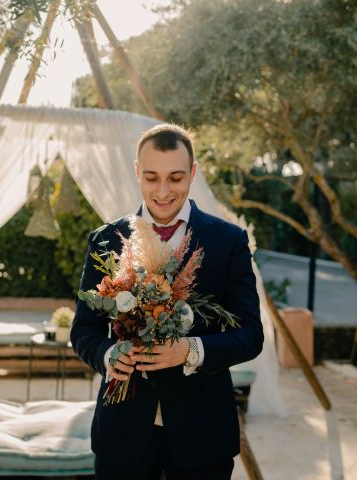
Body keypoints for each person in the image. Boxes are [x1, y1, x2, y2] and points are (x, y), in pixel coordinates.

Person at [71, 124, 263, 479]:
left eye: (175, 178)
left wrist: (190, 350)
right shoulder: (105, 240)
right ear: (136, 173)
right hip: (122, 432)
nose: (162, 191)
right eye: (151, 177)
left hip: (202, 434)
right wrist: (107, 354)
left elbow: (251, 335)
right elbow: (84, 330)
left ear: (192, 173)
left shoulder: (229, 240)